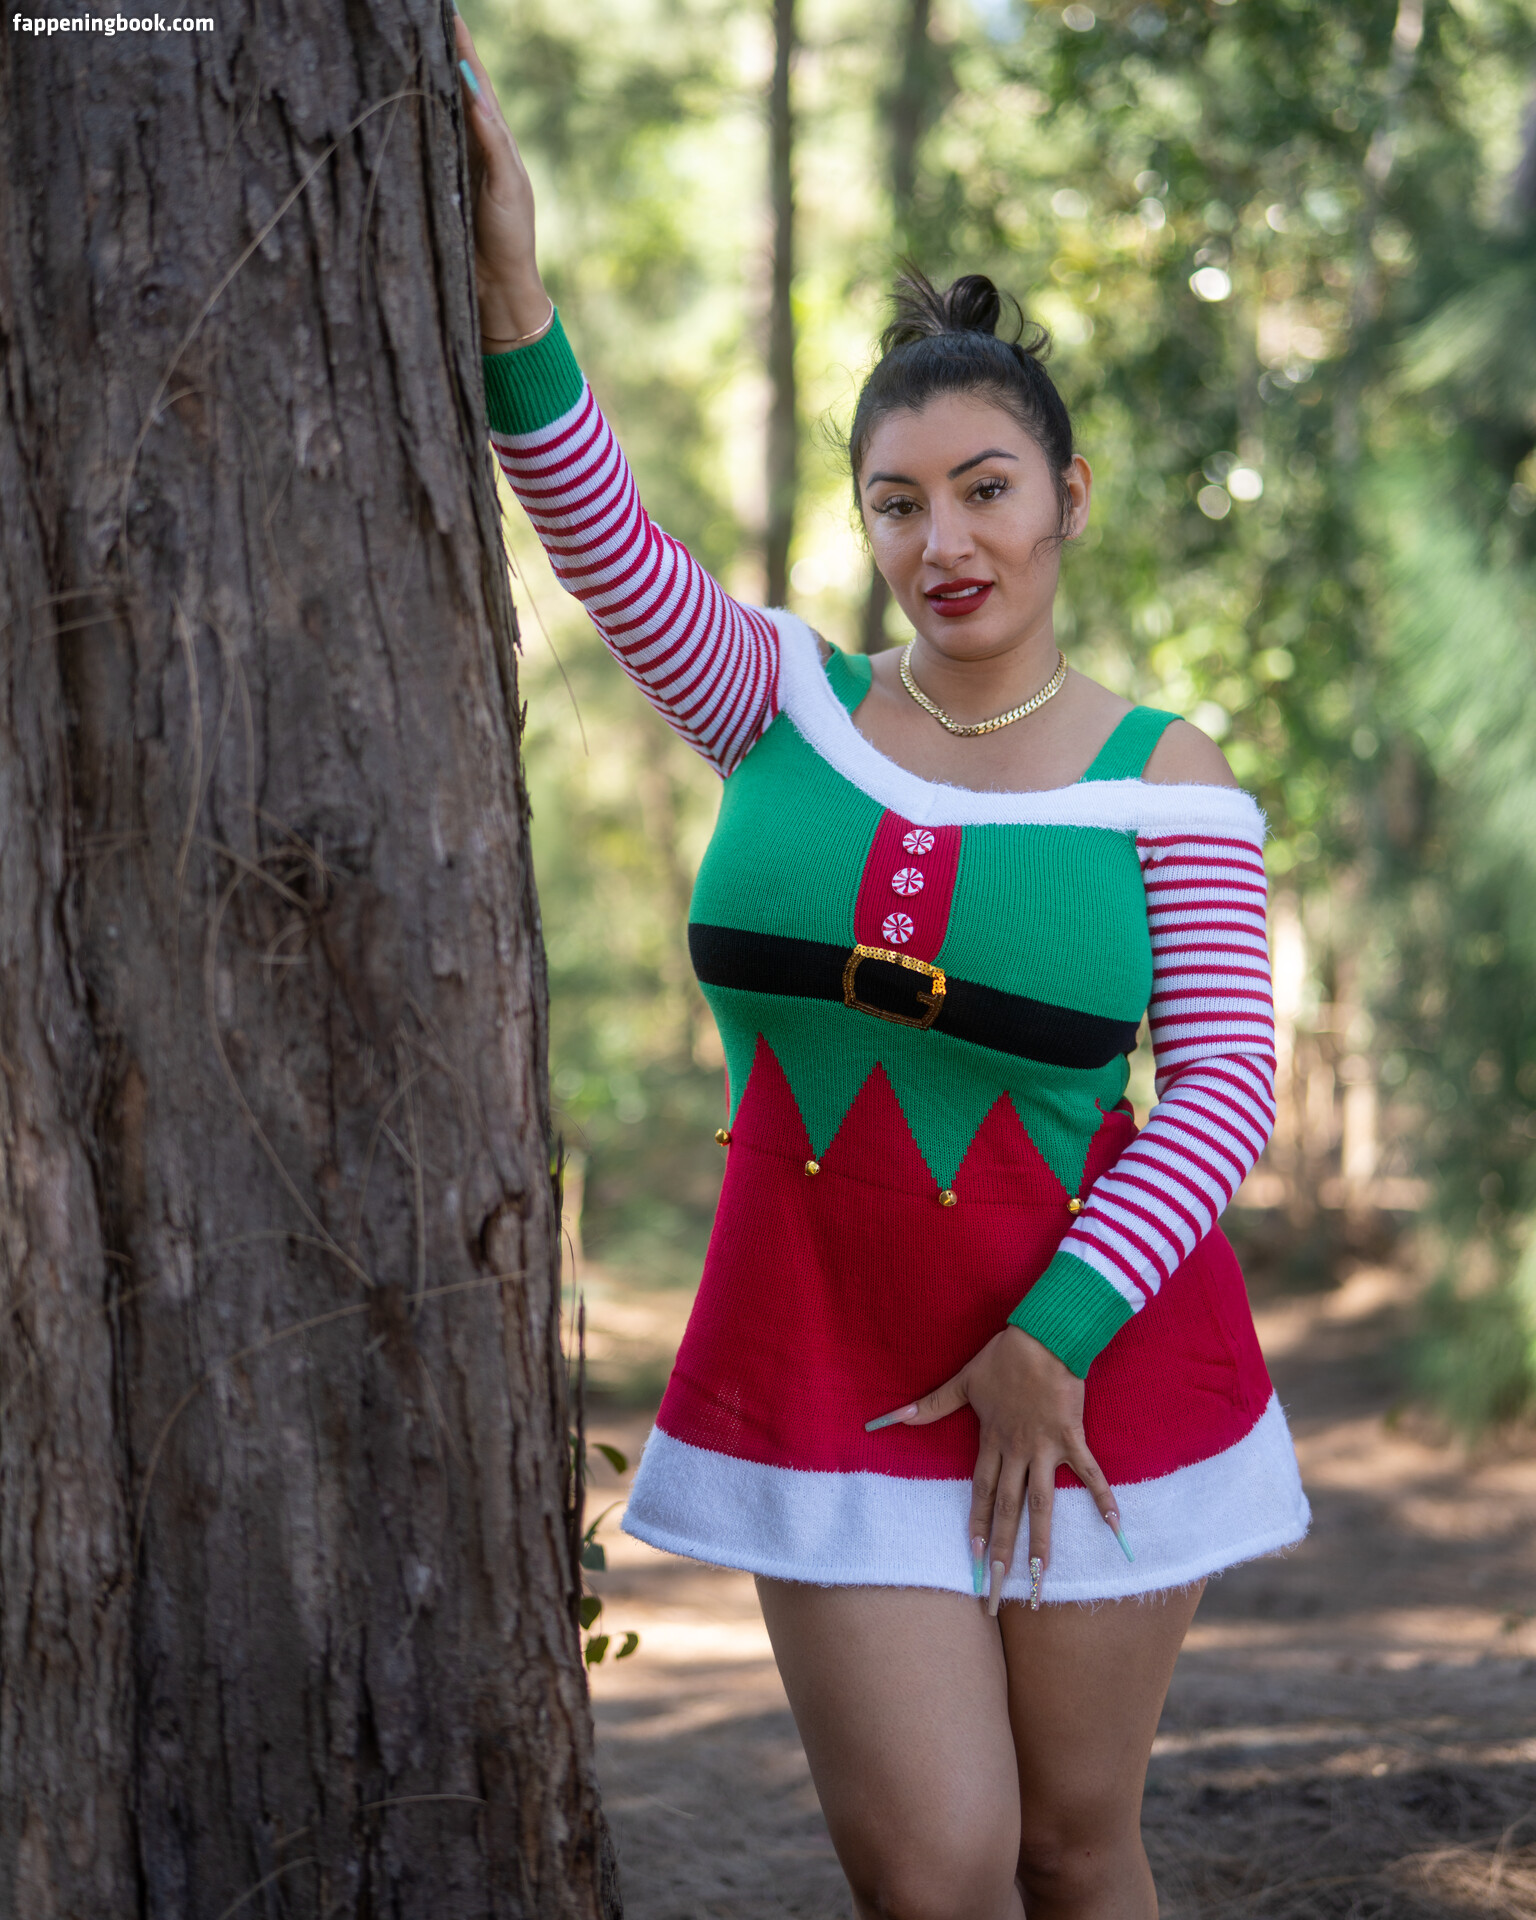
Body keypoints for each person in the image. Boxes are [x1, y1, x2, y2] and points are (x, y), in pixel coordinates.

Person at [454, 21, 1309, 1918]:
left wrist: (1047, 1341)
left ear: (1068, 495)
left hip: (1098, 1367)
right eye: (900, 502)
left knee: (1076, 1849)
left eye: (988, 488)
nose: (946, 539)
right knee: (935, 1875)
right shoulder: (782, 704)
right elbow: (597, 532)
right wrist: (515, 290)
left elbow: (1224, 1092)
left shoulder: (1169, 782)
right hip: (826, 1355)